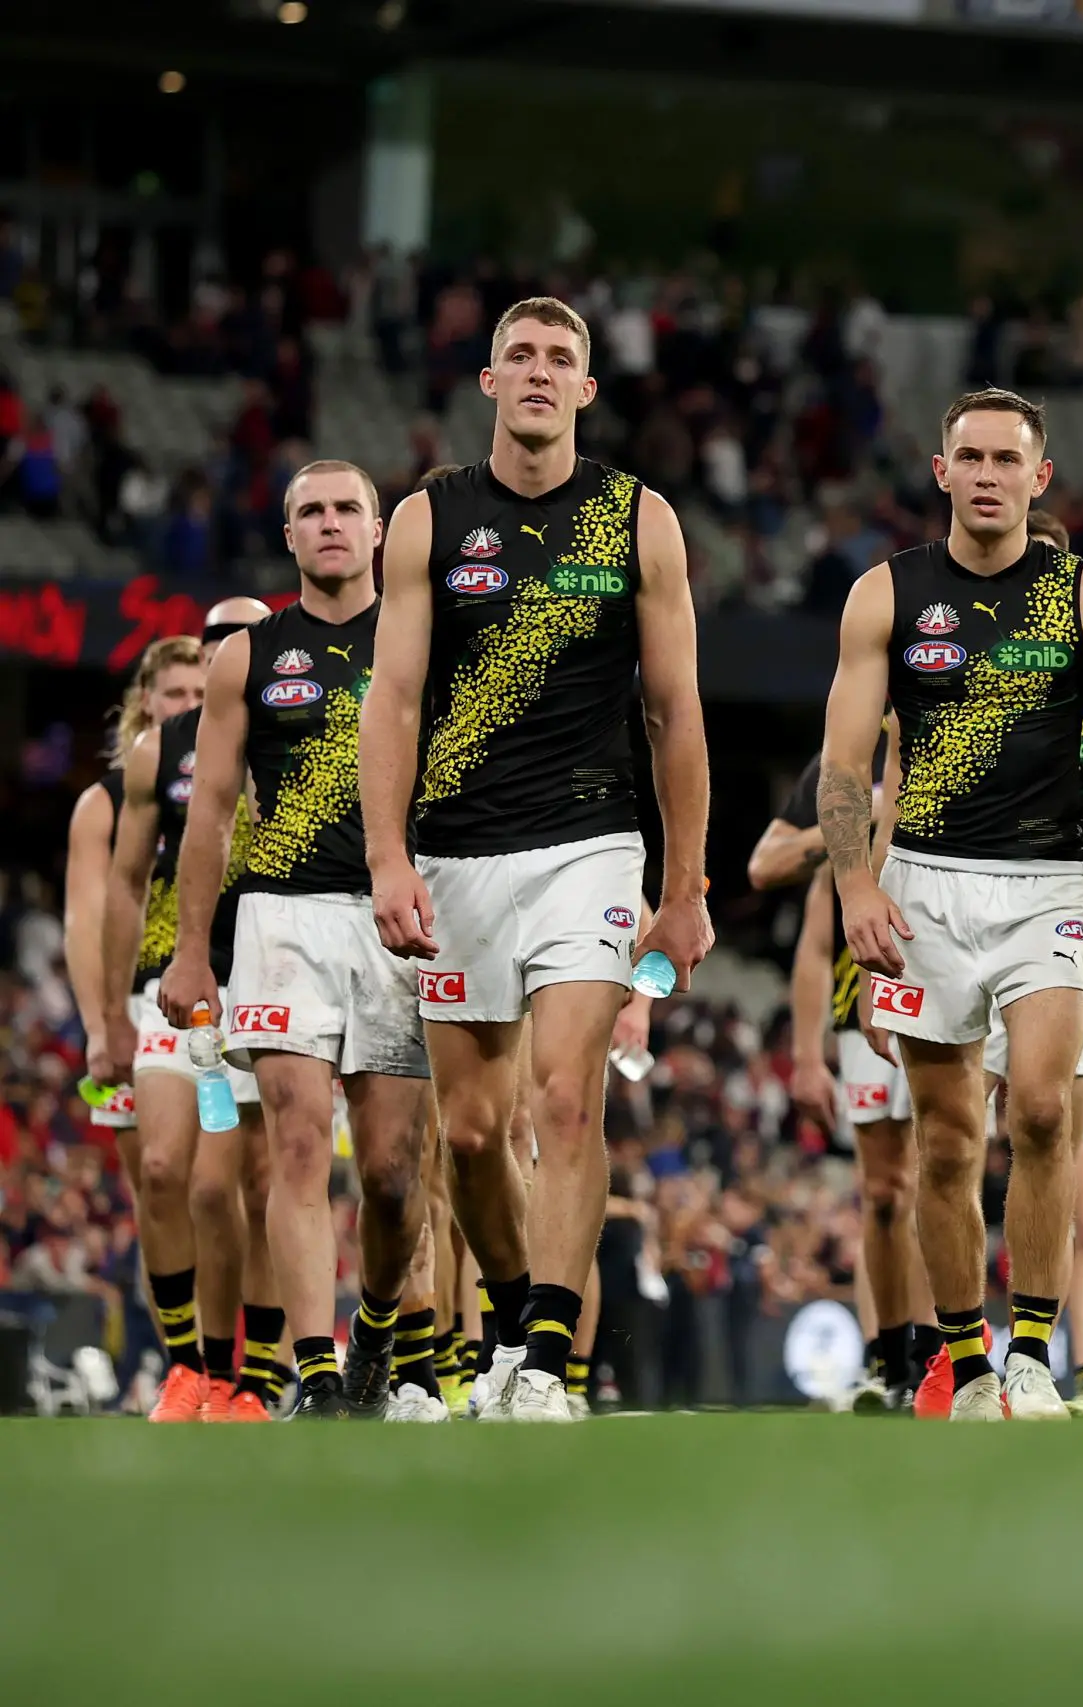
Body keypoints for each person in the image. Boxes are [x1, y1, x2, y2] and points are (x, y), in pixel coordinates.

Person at [362, 296, 715, 1424]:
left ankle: (550, 1365)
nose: (538, 371)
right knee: (468, 1137)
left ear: (586, 390)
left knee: (566, 1103)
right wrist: (385, 856)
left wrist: (684, 885)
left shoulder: (637, 519)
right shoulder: (426, 519)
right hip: (457, 855)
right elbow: (397, 700)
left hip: (589, 848)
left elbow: (675, 710)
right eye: (519, 353)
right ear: (488, 381)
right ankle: (515, 1324)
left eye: (561, 358)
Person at [815, 387, 1083, 1422]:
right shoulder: (888, 596)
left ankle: (1032, 1352)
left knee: (1040, 1112)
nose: (988, 475)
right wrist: (856, 883)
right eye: (970, 457)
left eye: (1008, 459)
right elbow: (844, 765)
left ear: (1040, 480)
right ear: (940, 472)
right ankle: (965, 1355)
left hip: (1050, 888)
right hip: (925, 890)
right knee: (944, 1146)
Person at [160, 461, 442, 1420]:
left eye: (346, 510)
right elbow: (209, 813)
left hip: (397, 915)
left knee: (397, 1179)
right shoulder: (246, 657)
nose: (329, 524)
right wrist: (195, 950)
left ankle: (374, 1331)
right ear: (289, 537)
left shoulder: (427, 640)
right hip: (281, 918)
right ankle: (314, 1371)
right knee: (293, 1147)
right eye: (310, 511)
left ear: (377, 532)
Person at [94, 609, 281, 1423]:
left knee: (238, 1185)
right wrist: (110, 1012)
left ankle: (261, 1372)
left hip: (271, 977)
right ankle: (187, 1370)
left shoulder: (304, 732)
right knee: (166, 1172)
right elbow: (126, 883)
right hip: (180, 984)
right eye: (214, 644)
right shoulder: (160, 751)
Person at [778, 749, 928, 1413]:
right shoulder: (847, 792)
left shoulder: (963, 749)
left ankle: (948, 1355)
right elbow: (815, 940)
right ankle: (889, 1358)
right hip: (858, 1001)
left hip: (947, 986)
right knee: (884, 1192)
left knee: (942, 1176)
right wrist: (807, 1056)